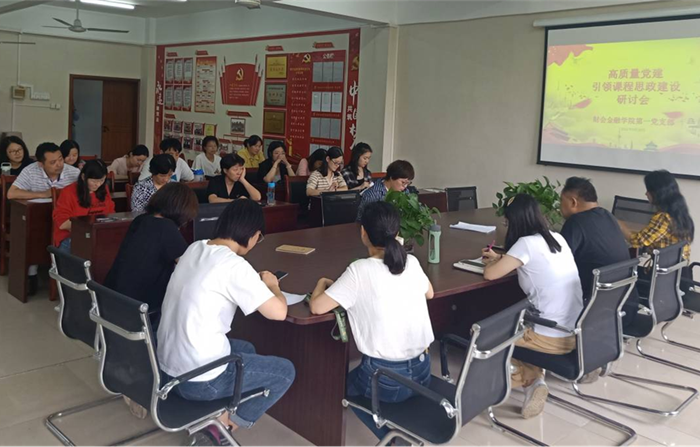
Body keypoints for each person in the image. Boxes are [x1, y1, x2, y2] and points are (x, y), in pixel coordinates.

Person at [157, 199, 295, 441]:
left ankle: (219, 414)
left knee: (247, 348)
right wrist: (272, 285)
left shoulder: (195, 247)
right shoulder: (234, 265)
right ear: (253, 234)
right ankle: (222, 429)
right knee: (285, 372)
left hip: (166, 371)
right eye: (259, 238)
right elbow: (279, 312)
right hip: (197, 382)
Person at [309, 201, 434, 441]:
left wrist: (322, 283)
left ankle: (393, 440)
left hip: (385, 380)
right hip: (422, 372)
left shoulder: (359, 270)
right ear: (397, 232)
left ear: (363, 233)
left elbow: (317, 307)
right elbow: (429, 293)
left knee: (339, 387)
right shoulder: (411, 262)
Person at [482, 194, 583, 419]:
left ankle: (531, 380)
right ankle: (533, 380)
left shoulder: (525, 244)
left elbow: (490, 275)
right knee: (517, 321)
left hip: (548, 336)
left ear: (515, 221)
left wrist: (492, 262)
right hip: (575, 332)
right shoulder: (557, 238)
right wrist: (501, 258)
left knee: (488, 338)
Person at [560, 177, 639, 329]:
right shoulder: (608, 216)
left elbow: (556, 261)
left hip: (594, 314)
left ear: (573, 202)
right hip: (623, 309)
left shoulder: (576, 222)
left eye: (561, 201)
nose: (560, 207)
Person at [106, 182, 197, 312]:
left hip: (112, 298)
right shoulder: (166, 227)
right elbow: (189, 265)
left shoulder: (140, 219)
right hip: (139, 308)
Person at [8, 142, 80, 294]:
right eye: (53, 162)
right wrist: (43, 194)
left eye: (60, 159)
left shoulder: (73, 173)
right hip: (38, 219)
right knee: (33, 233)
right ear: (41, 164)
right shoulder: (30, 171)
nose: (59, 165)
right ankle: (32, 273)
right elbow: (11, 193)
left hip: (63, 220)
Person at [619, 170, 694, 261]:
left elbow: (636, 241)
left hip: (662, 269)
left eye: (648, 190)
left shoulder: (664, 218)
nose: (646, 193)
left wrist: (618, 223)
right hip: (678, 267)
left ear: (658, 192)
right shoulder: (680, 215)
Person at [53, 160, 115, 252]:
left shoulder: (103, 189)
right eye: (94, 181)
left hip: (98, 235)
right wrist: (90, 228)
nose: (98, 184)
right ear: (83, 177)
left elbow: (111, 215)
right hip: (72, 236)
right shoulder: (68, 192)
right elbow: (63, 224)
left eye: (102, 180)